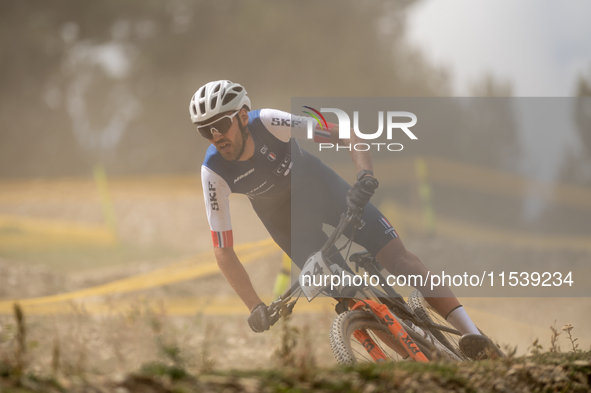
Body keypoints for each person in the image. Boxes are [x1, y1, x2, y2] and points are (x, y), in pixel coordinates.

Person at [191, 80, 502, 360]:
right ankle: (419, 359)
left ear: (243, 116)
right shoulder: (213, 171)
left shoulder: (269, 122)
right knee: (348, 297)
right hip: (286, 223)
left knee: (399, 258)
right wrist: (254, 305)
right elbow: (223, 250)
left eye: (220, 124)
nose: (216, 136)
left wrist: (364, 175)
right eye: (206, 130)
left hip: (323, 189)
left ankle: (472, 333)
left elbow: (344, 133)